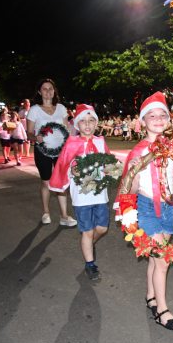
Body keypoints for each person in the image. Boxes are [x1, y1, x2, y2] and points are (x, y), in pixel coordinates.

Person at [121, 92, 173, 330]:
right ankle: (162, 311)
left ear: (169, 119)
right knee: (162, 260)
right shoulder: (139, 151)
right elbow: (128, 189)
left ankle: (150, 297)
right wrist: (132, 171)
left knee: (155, 258)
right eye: (152, 115)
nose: (158, 118)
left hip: (167, 208)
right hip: (145, 209)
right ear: (142, 121)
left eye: (163, 114)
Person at [49, 105, 111, 280]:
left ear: (96, 123)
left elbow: (109, 162)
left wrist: (109, 170)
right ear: (77, 124)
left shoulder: (100, 142)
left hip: (100, 194)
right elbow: (63, 165)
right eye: (83, 121)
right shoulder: (71, 144)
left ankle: (89, 245)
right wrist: (73, 172)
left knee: (102, 228)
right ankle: (90, 264)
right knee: (87, 231)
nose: (87, 125)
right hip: (81, 196)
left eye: (91, 121)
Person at [26, 78, 77, 227]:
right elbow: (29, 132)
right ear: (39, 91)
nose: (48, 91)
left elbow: (66, 128)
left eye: (50, 89)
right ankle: (46, 212)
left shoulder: (61, 108)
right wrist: (35, 137)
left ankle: (64, 215)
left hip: (61, 151)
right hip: (42, 150)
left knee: (61, 182)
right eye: (44, 89)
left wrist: (72, 142)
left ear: (54, 91)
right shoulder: (34, 109)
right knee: (46, 181)